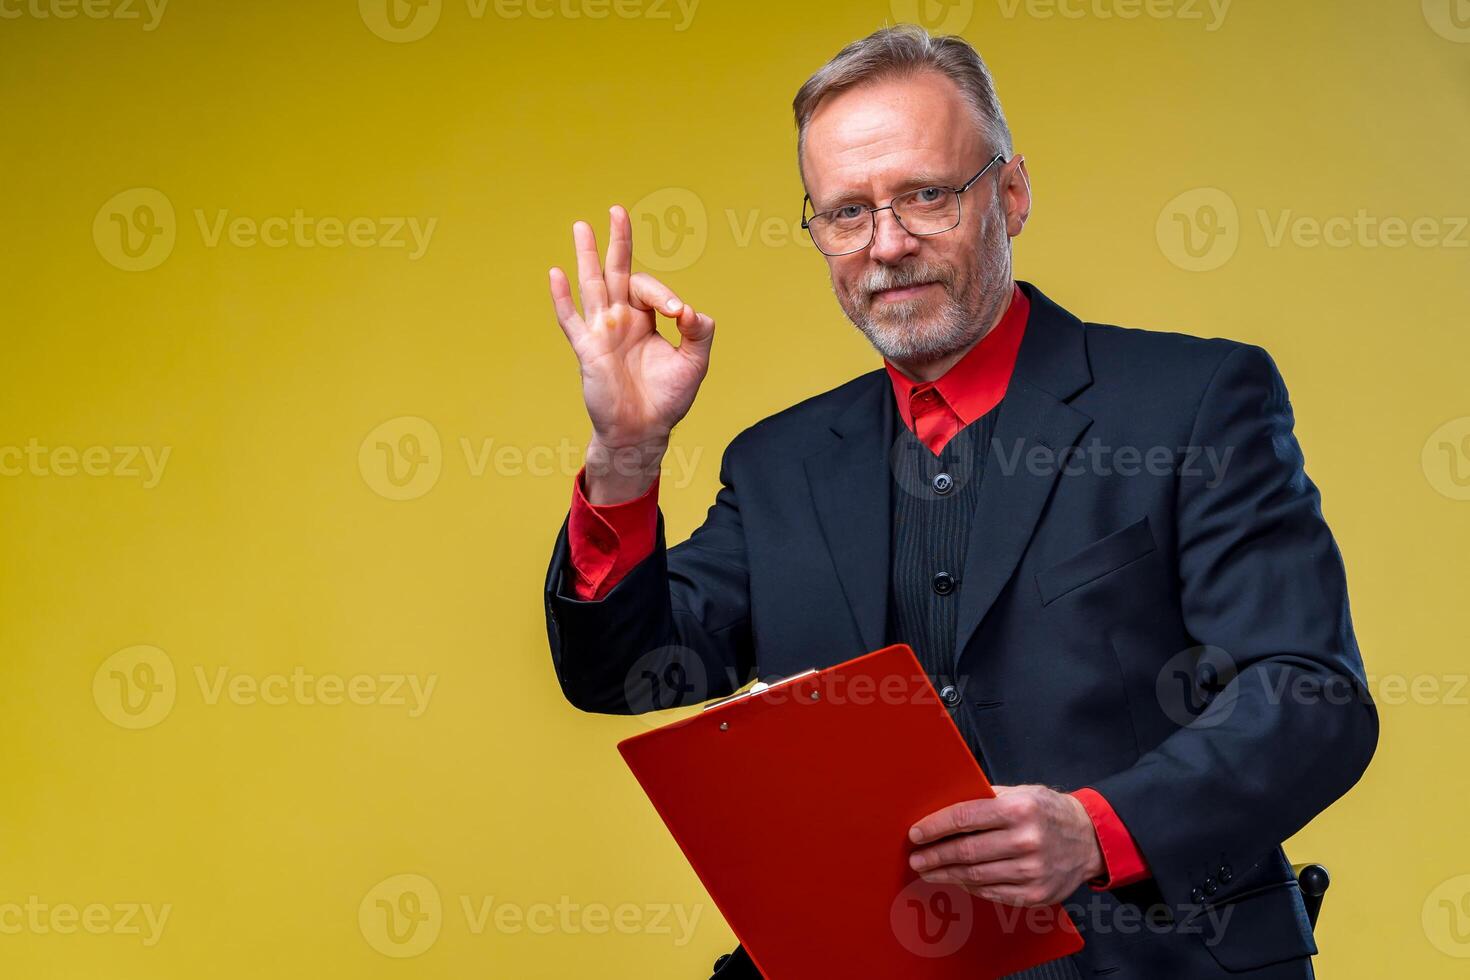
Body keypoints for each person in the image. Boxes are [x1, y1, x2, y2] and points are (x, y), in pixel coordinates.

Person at [542, 24, 1376, 979]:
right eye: (846, 213)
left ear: (1011, 194)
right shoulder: (779, 464)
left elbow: (1313, 696)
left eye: (926, 196)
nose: (887, 245)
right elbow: (628, 675)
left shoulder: (1195, 400)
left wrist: (1095, 831)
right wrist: (626, 451)